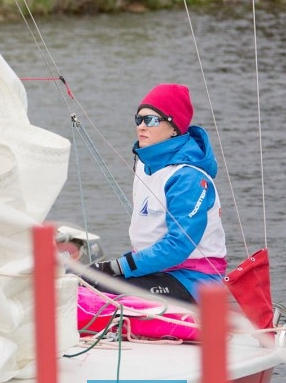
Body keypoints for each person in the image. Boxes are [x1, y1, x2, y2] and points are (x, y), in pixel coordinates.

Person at [89, 83, 227, 304]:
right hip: (157, 272)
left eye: (151, 120)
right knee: (81, 282)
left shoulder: (188, 178)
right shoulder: (145, 165)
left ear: (174, 127)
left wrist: (118, 266)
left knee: (98, 295)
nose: (141, 127)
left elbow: (178, 245)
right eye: (138, 119)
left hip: (194, 281)